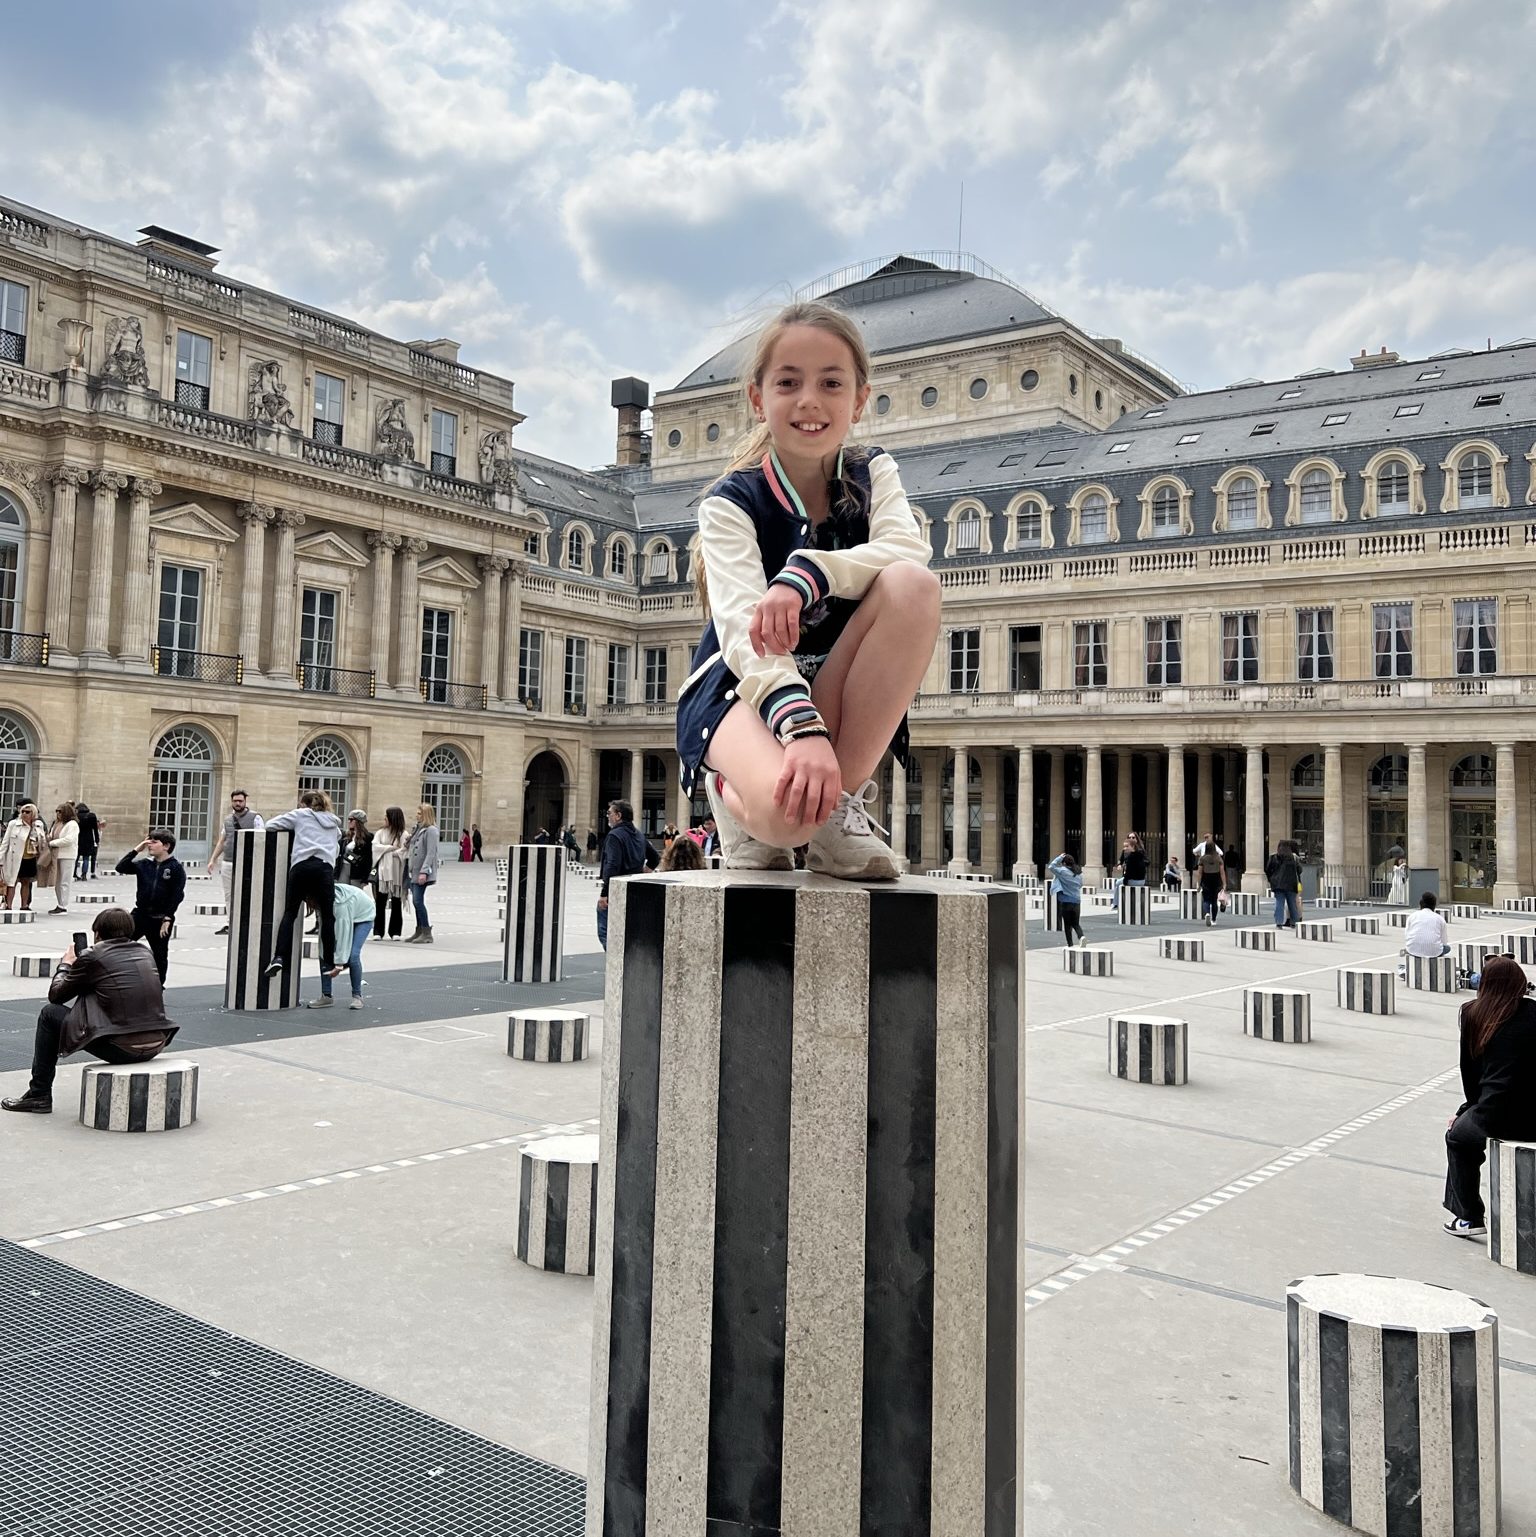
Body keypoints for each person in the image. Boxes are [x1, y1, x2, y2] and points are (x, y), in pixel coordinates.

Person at [675, 301, 939, 881]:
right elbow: (746, 638)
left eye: (831, 383)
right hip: (740, 687)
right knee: (786, 820)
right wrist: (802, 728)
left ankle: (838, 811)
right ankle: (731, 792)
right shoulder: (730, 502)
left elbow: (908, 552)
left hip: (833, 676)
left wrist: (806, 575)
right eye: (788, 382)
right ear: (757, 397)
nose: (809, 401)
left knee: (913, 587)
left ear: (860, 399)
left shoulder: (875, 474)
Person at [0, 906, 177, 1115]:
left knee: (49, 1013)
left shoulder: (93, 956)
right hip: (156, 1044)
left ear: (97, 933)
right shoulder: (145, 952)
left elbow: (56, 996)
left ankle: (39, 1094)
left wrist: (66, 965)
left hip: (121, 1048)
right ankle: (38, 1095)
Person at [1442, 955, 1536, 1239]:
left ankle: (1468, 1215)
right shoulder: (1533, 1012)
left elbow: (1470, 1072)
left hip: (1496, 1114)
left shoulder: (1473, 1012)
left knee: (1457, 1138)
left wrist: (1465, 1110)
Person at [261, 791, 342, 980]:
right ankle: (329, 962)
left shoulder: (300, 814)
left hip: (301, 866)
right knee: (328, 916)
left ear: (304, 804)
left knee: (290, 913)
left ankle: (279, 957)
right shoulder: (333, 822)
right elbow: (337, 843)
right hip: (324, 868)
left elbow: (270, 825)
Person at [113, 829, 186, 981]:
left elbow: (177, 895)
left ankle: (159, 986)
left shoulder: (175, 868)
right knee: (119, 943)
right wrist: (136, 850)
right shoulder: (144, 864)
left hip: (160, 918)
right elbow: (121, 867)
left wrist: (168, 917)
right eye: (148, 841)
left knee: (159, 954)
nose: (149, 845)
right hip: (140, 914)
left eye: (154, 842)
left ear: (166, 846)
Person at [306, 881, 376, 1011]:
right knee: (324, 953)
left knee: (353, 956)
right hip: (350, 910)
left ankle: (357, 996)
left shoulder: (340, 905)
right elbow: (324, 934)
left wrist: (339, 964)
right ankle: (326, 996)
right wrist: (325, 954)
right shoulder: (323, 902)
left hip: (363, 917)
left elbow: (343, 934)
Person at [597, 799, 657, 950]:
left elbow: (612, 866)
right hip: (634, 890)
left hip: (615, 891)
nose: (607, 816)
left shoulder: (614, 836)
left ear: (618, 815)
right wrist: (644, 871)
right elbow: (655, 857)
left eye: (609, 813)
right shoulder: (638, 834)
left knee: (606, 932)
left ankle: (614, 963)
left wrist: (605, 893)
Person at [207, 790, 265, 935]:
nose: (238, 803)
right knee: (229, 894)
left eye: (240, 801)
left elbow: (261, 839)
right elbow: (222, 841)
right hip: (228, 861)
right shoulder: (227, 820)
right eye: (235, 801)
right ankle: (230, 923)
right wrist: (213, 859)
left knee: (247, 893)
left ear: (245, 802)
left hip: (247, 862)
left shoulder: (255, 818)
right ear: (231, 802)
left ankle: (246, 923)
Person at [0, 802, 48, 912]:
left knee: (26, 882)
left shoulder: (38, 825)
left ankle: (24, 905)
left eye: (28, 812)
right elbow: (5, 842)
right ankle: (8, 905)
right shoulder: (14, 824)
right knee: (12, 882)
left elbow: (43, 841)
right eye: (22, 811)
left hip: (30, 857)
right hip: (14, 858)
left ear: (33, 813)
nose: (25, 814)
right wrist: (1, 858)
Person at [371, 805, 408, 940]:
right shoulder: (380, 833)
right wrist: (391, 848)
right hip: (383, 872)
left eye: (386, 816)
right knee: (380, 902)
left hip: (397, 871)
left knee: (397, 901)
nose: (384, 818)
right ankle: (378, 931)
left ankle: (395, 931)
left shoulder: (404, 834)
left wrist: (388, 851)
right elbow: (375, 847)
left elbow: (405, 851)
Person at [404, 802, 440, 943]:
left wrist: (424, 872)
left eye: (419, 813)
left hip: (422, 871)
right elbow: (409, 846)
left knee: (418, 900)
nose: (416, 816)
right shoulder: (418, 829)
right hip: (413, 869)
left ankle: (426, 931)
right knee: (416, 901)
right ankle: (419, 930)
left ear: (426, 815)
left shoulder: (431, 830)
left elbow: (431, 853)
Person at [1401, 891, 1451, 975]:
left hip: (1412, 949)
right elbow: (1444, 942)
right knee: (1447, 948)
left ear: (1420, 904)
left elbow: (1407, 935)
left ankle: (1407, 969)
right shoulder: (1440, 919)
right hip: (1434, 952)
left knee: (1410, 947)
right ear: (1434, 906)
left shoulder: (1412, 916)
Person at [44, 802, 80, 915]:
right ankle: (59, 903)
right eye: (57, 811)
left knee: (65, 881)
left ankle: (63, 905)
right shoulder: (57, 823)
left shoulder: (72, 824)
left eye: (60, 811)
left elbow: (69, 840)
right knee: (57, 881)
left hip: (67, 855)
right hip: (56, 855)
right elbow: (51, 834)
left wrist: (53, 843)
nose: (58, 813)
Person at [1046, 852, 1084, 947]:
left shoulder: (1062, 871)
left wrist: (1060, 857)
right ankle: (1081, 936)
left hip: (1066, 901)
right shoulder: (1078, 873)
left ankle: (1070, 944)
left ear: (1064, 863)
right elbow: (1080, 885)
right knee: (1076, 923)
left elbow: (1051, 866)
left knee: (1067, 925)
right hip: (1077, 901)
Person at [1266, 839, 1303, 929]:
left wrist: (1271, 879)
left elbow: (1268, 869)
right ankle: (1294, 922)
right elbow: (1299, 870)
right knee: (1292, 903)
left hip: (1278, 884)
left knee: (1279, 902)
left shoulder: (1273, 857)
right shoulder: (1294, 858)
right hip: (1291, 884)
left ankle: (1279, 922)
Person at [1194, 836, 1226, 927]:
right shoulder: (1218, 859)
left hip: (1206, 878)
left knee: (1206, 899)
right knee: (1214, 901)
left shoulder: (1202, 859)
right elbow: (1222, 872)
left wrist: (1198, 884)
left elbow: (1199, 873)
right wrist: (1224, 884)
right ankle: (1214, 919)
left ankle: (1207, 913)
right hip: (1216, 879)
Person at [336, 811, 373, 888]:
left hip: (357, 871)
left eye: (351, 819)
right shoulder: (346, 835)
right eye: (348, 819)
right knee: (343, 891)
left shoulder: (367, 837)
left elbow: (368, 859)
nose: (349, 821)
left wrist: (365, 878)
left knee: (355, 894)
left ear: (358, 821)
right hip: (343, 867)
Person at [74, 801, 100, 881]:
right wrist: (97, 839)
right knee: (86, 858)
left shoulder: (76, 816)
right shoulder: (91, 816)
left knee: (76, 858)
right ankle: (84, 874)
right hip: (89, 839)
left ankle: (74, 873)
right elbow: (95, 829)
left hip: (78, 838)